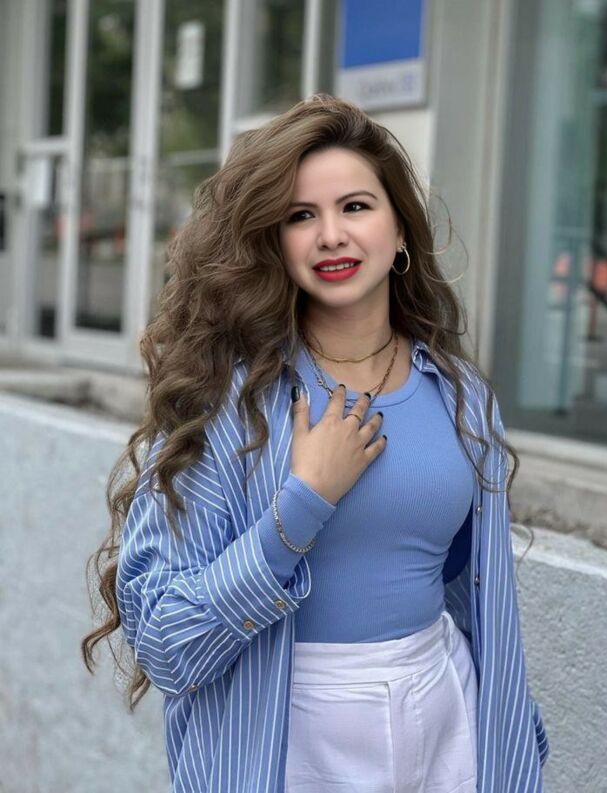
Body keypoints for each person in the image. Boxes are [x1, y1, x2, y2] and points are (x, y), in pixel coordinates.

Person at [82, 94, 549, 793]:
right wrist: (301, 505)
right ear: (274, 242)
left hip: (448, 722)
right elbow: (164, 645)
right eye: (301, 216)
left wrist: (513, 743)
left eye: (355, 206)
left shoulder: (462, 397)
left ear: (400, 231)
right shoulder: (229, 403)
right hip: (286, 737)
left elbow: (473, 599)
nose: (331, 234)